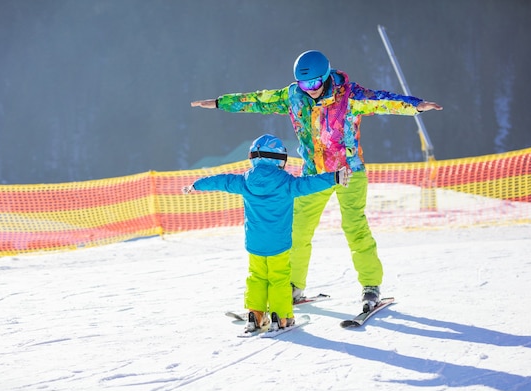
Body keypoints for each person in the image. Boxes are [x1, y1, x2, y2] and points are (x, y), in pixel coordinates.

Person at [191, 50, 443, 313]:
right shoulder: (294, 98)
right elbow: (257, 100)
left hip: (349, 172)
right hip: (314, 174)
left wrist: (416, 105)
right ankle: (293, 285)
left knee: (355, 227)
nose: (309, 89)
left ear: (325, 77)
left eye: (313, 84)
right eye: (303, 84)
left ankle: (370, 286)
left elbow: (383, 101)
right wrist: (221, 102)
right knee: (298, 231)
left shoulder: (350, 96)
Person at [183, 134, 349, 332]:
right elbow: (309, 184)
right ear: (280, 159)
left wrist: (196, 185)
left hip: (255, 243)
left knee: (256, 277)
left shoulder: (245, 180)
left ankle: (256, 315)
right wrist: (334, 177)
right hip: (279, 243)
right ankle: (281, 318)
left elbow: (222, 181)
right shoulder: (287, 183)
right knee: (279, 278)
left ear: (253, 157)